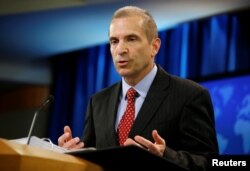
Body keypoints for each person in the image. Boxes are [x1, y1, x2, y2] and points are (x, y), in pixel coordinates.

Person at [58, 6, 219, 170]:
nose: (121, 49)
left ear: (154, 46)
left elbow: (210, 162)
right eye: (114, 41)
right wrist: (74, 154)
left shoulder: (190, 95)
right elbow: (93, 158)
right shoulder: (98, 101)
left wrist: (166, 155)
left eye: (131, 39)